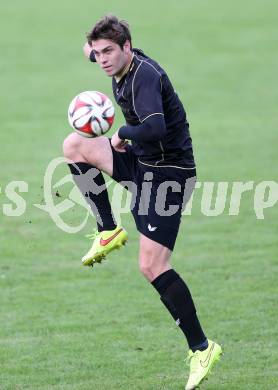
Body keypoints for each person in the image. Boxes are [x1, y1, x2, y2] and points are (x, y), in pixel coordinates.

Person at [63, 15, 222, 390]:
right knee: (74, 146)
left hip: (169, 177)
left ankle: (202, 348)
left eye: (109, 52)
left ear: (128, 48)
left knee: (152, 265)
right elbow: (92, 48)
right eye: (98, 53)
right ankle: (107, 229)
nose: (102, 59)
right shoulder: (113, 58)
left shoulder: (144, 78)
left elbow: (155, 128)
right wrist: (91, 43)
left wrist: (119, 133)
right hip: (143, 163)